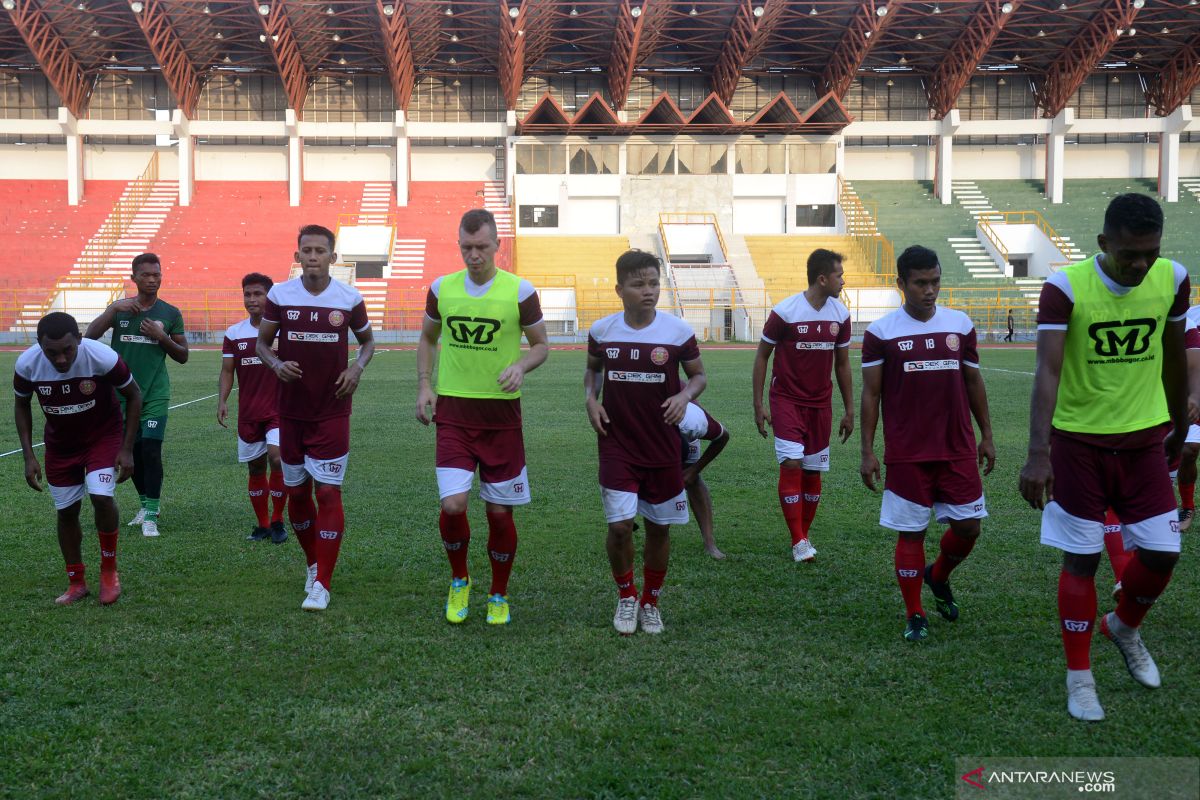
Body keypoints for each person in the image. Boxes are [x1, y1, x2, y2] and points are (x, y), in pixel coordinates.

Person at [1019, 193, 1189, 722]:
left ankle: (1124, 627)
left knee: (1163, 554)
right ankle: (1080, 677)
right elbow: (1047, 371)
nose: (1140, 265)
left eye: (1150, 253)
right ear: (1103, 244)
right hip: (1078, 445)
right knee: (1082, 560)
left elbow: (1175, 355)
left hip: (1144, 443)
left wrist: (1182, 428)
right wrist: (1038, 452)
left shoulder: (1174, 278)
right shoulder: (1066, 286)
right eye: (1129, 255)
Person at [415, 208, 549, 626]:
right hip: (454, 412)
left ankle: (499, 593)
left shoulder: (520, 291)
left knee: (498, 513)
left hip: (501, 416)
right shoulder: (442, 288)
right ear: (459, 245)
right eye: (466, 247)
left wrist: (521, 367)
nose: (474, 255)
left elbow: (542, 345)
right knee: (454, 505)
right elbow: (427, 337)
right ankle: (460, 580)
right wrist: (424, 385)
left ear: (497, 246)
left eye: (482, 247)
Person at [860, 245, 995, 644]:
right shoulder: (880, 332)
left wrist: (986, 434)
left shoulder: (960, 325)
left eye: (935, 281)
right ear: (901, 284)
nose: (930, 290)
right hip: (907, 452)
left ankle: (938, 576)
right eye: (920, 283)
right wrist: (867, 451)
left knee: (969, 528)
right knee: (911, 534)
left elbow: (973, 381)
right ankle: (914, 611)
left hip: (957, 447)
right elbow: (871, 395)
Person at [585, 249, 706, 635]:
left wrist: (684, 396)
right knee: (620, 527)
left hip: (662, 446)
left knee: (658, 528)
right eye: (639, 285)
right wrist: (590, 400)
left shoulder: (677, 332)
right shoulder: (602, 330)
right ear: (620, 289)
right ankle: (626, 596)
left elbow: (699, 376)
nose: (648, 291)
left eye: (654, 283)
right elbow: (592, 373)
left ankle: (651, 602)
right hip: (617, 442)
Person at [256, 224, 375, 612]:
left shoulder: (348, 298)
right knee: (297, 494)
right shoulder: (279, 294)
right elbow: (262, 343)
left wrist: (356, 368)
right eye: (305, 250)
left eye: (319, 251)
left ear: (332, 257)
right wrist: (275, 363)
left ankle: (322, 583)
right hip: (290, 412)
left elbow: (368, 343)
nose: (312, 257)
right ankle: (312, 563)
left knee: (327, 491)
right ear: (297, 256)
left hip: (331, 410)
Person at [14, 312, 142, 605]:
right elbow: (21, 405)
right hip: (60, 445)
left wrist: (126, 448)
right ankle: (76, 583)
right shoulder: (27, 364)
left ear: (80, 340)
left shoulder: (101, 356)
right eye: (52, 353)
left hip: (103, 437)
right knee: (66, 511)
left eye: (68, 350)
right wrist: (28, 456)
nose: (61, 359)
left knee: (101, 497)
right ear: (39, 346)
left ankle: (109, 572)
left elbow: (134, 394)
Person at [752, 248, 853, 562]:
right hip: (786, 401)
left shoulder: (841, 315)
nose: (843, 281)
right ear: (822, 278)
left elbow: (843, 365)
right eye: (839, 275)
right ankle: (798, 541)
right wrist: (759, 405)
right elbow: (761, 358)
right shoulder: (785, 312)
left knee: (812, 472)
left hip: (820, 405)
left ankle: (803, 536)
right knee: (792, 464)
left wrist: (849, 410)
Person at [86, 253, 188, 538]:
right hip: (121, 395)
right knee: (130, 452)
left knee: (151, 450)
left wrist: (161, 336)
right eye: (146, 275)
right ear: (134, 278)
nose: (153, 279)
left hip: (155, 393)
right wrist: (112, 309)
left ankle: (152, 514)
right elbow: (88, 337)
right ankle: (144, 504)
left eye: (157, 274)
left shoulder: (170, 313)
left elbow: (183, 356)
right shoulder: (121, 310)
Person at [219, 273, 287, 544]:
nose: (252, 299)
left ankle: (279, 520)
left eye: (258, 294)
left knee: (277, 459)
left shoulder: (284, 331)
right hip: (249, 412)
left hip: (279, 410)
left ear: (269, 297)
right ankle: (262, 525)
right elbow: (227, 371)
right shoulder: (234, 333)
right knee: (256, 469)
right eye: (247, 294)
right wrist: (222, 400)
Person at [679, 402, 729, 560]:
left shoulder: (692, 421)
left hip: (680, 423)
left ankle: (709, 542)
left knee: (692, 480)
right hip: (649, 428)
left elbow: (723, 437)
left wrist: (694, 470)